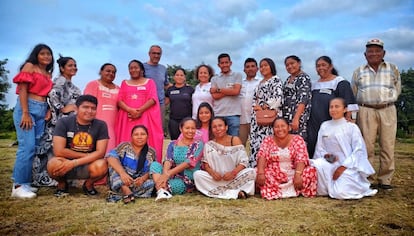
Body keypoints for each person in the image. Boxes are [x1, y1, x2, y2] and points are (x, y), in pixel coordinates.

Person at [352, 39, 401, 190]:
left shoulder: (392, 68)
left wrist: (388, 101)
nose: (373, 53)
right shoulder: (358, 71)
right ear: (365, 54)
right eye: (370, 51)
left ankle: (385, 179)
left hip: (387, 109)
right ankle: (368, 178)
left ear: (383, 53)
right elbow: (354, 92)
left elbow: (397, 88)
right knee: (366, 146)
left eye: (377, 50)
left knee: (387, 145)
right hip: (366, 110)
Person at [310, 98, 378, 199]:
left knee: (340, 193)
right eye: (331, 107)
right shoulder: (325, 125)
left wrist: (342, 167)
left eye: (337, 106)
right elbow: (320, 148)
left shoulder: (351, 127)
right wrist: (326, 156)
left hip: (348, 166)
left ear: (345, 109)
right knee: (317, 165)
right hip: (328, 164)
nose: (333, 109)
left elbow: (359, 151)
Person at [11, 43, 54, 199]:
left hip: (42, 109)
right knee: (26, 147)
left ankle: (25, 183)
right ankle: (18, 186)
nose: (46, 57)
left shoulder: (48, 74)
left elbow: (47, 95)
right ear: (36, 55)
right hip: (28, 107)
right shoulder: (30, 66)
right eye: (42, 53)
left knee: (35, 148)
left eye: (48, 54)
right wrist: (25, 113)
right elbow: (23, 89)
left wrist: (48, 108)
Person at [33, 55, 81, 187]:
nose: (74, 68)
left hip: (69, 124)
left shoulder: (71, 84)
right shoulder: (60, 81)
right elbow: (52, 94)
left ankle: (62, 176)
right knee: (53, 150)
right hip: (58, 123)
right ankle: (48, 178)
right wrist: (62, 108)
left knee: (64, 149)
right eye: (70, 65)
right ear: (62, 68)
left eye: (75, 65)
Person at [47, 95, 109, 197]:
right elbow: (59, 151)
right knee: (53, 164)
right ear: (76, 108)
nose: (89, 111)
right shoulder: (64, 122)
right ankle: (62, 185)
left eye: (93, 108)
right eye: (85, 107)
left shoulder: (101, 125)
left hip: (88, 165)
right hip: (66, 163)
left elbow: (100, 153)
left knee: (102, 165)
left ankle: (88, 185)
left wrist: (75, 162)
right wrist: (87, 156)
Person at [307, 56, 357, 159]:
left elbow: (351, 105)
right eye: (318, 66)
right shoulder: (314, 85)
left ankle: (334, 169)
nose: (320, 68)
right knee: (315, 149)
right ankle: (318, 170)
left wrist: (351, 122)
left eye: (323, 65)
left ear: (331, 67)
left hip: (333, 125)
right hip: (314, 126)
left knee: (333, 151)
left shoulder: (340, 82)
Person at [194, 117, 256, 199]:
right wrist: (213, 173)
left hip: (234, 177)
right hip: (216, 179)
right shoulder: (209, 145)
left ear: (226, 127)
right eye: (214, 127)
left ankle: (219, 191)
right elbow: (206, 164)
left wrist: (233, 173)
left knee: (251, 172)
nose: (217, 129)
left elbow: (243, 161)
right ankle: (236, 191)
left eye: (220, 126)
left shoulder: (234, 140)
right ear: (211, 129)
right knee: (197, 175)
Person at [256, 117, 317, 200]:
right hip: (274, 174)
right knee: (257, 172)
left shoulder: (297, 139)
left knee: (311, 171)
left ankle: (290, 189)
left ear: (289, 127)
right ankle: (280, 190)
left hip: (294, 173)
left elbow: (301, 158)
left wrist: (298, 175)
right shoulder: (268, 140)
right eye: (277, 127)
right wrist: (261, 173)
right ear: (273, 129)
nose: (280, 129)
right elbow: (262, 156)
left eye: (283, 126)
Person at [115, 60, 163, 162]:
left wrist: (140, 111)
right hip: (128, 119)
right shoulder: (124, 83)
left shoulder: (149, 82)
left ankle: (150, 168)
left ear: (141, 69)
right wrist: (130, 110)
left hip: (145, 118)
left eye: (136, 67)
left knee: (147, 140)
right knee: (127, 140)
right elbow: (119, 100)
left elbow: (153, 99)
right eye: (131, 68)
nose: (133, 70)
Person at [150, 118, 204, 201]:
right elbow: (168, 160)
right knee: (155, 165)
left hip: (187, 178)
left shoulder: (198, 144)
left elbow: (188, 163)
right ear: (181, 129)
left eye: (193, 128)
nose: (190, 131)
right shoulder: (173, 144)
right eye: (187, 128)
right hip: (170, 175)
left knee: (169, 185)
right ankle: (162, 190)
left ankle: (160, 189)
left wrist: (167, 175)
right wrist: (165, 175)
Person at [106, 125, 156, 204]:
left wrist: (142, 179)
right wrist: (123, 174)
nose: (139, 137)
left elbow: (151, 170)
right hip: (120, 178)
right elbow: (110, 156)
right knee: (113, 166)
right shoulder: (125, 146)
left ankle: (120, 194)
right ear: (131, 137)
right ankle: (126, 190)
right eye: (136, 134)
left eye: (143, 134)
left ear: (147, 136)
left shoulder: (151, 152)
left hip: (136, 182)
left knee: (153, 182)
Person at [249, 58, 283, 168]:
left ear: (271, 66)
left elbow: (278, 98)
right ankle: (256, 170)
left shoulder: (275, 80)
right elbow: (255, 99)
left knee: (269, 145)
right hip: (258, 120)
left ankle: (269, 172)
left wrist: (264, 106)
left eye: (266, 65)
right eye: (261, 66)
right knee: (256, 145)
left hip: (269, 119)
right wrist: (256, 108)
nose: (263, 68)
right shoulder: (260, 83)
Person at [84, 63, 119, 154]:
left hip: (112, 126)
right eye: (108, 71)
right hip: (95, 125)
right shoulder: (93, 85)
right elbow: (87, 104)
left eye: (113, 72)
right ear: (101, 71)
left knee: (110, 152)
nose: (111, 73)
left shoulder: (118, 89)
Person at [210, 53, 242, 136]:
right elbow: (215, 96)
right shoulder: (214, 79)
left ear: (230, 63)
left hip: (233, 115)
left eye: (226, 62)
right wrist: (230, 91)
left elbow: (236, 92)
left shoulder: (237, 75)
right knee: (220, 142)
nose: (224, 65)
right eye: (222, 63)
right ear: (218, 65)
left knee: (233, 142)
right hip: (219, 114)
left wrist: (218, 90)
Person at [282, 55, 312, 141]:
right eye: (287, 65)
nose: (290, 66)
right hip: (286, 117)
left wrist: (296, 118)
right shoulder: (288, 79)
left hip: (298, 117)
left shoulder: (303, 78)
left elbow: (303, 99)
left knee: (298, 143)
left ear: (299, 63)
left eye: (292, 63)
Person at [143, 45, 172, 136]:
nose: (156, 56)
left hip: (160, 104)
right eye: (154, 53)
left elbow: (166, 85)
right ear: (149, 54)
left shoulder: (163, 69)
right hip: (145, 104)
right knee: (144, 130)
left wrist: (181, 86)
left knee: (158, 131)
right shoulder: (143, 67)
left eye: (158, 54)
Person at [165, 68, 194, 140]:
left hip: (187, 120)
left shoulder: (190, 89)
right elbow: (164, 103)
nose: (179, 77)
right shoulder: (170, 89)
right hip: (174, 120)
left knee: (188, 141)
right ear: (174, 77)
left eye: (181, 75)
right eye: (177, 75)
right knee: (175, 142)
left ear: (184, 77)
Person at [239, 58, 260, 147]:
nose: (250, 68)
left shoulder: (261, 82)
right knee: (240, 146)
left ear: (257, 68)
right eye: (247, 67)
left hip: (256, 120)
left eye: (252, 66)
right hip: (242, 120)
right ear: (244, 70)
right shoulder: (240, 83)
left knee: (257, 145)